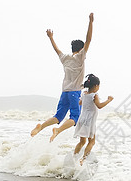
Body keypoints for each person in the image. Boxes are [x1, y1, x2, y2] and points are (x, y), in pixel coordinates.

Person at [30, 13, 94, 142]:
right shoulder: (80, 57)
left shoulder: (65, 58)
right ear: (81, 49)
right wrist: (91, 22)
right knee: (74, 118)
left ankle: (41, 127)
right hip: (75, 92)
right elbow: (88, 40)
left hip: (64, 91)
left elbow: (56, 49)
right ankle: (58, 130)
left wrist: (51, 37)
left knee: (58, 116)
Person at [73, 74, 113, 165]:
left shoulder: (84, 94)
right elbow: (99, 106)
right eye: (99, 85)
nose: (98, 87)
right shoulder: (95, 95)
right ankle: (83, 159)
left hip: (82, 118)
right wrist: (109, 100)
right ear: (95, 86)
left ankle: (74, 157)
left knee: (82, 141)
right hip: (89, 120)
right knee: (92, 141)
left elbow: (80, 103)